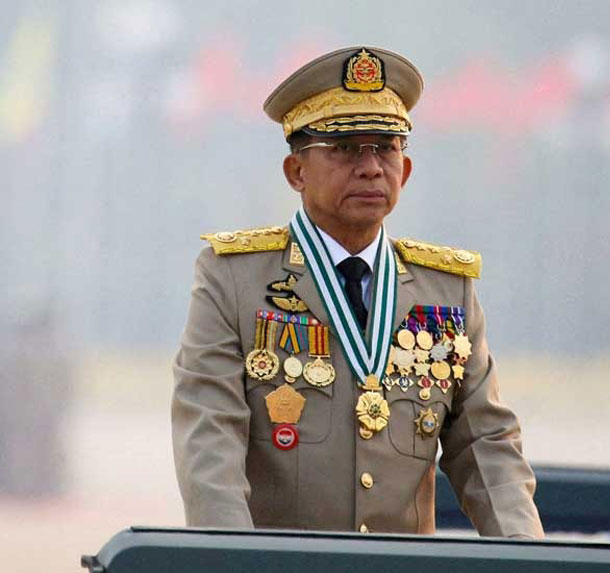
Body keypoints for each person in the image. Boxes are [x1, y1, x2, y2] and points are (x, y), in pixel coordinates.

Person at [171, 46, 544, 537]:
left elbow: (485, 444)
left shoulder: (447, 288)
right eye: (345, 147)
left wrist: (525, 562)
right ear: (296, 172)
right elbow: (209, 440)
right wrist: (237, 570)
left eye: (386, 147)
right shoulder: (235, 279)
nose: (371, 167)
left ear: (405, 171)